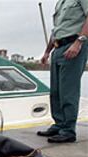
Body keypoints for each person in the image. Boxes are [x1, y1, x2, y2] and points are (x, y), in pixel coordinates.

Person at [37, 0, 88, 143]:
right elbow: (57, 29)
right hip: (58, 47)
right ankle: (59, 124)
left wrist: (79, 42)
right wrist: (47, 52)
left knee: (68, 90)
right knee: (56, 91)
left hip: (73, 44)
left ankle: (68, 130)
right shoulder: (61, 3)